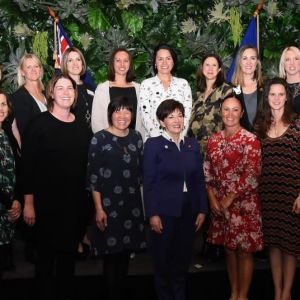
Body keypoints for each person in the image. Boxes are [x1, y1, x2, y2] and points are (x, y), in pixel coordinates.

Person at [21, 73, 90, 300]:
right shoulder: (38, 125)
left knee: (67, 265)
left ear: (75, 93)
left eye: (69, 88)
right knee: (44, 264)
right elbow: (27, 166)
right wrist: (28, 203)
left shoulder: (82, 128)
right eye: (60, 88)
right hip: (44, 207)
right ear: (51, 92)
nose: (65, 92)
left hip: (72, 208)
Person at [143, 99, 207, 300]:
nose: (176, 120)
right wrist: (152, 214)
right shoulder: (153, 145)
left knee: (182, 261)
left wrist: (202, 209)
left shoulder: (191, 144)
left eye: (179, 115)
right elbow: (149, 182)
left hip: (189, 211)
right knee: (163, 262)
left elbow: (199, 179)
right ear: (162, 121)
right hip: (164, 212)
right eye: (170, 116)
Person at [204, 95, 263, 300]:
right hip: (220, 206)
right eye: (226, 109)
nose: (230, 114)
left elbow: (252, 174)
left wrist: (230, 197)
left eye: (235, 109)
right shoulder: (213, 140)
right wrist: (212, 199)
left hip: (244, 206)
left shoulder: (250, 139)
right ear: (221, 112)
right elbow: (208, 173)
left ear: (242, 113)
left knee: (244, 251)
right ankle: (234, 293)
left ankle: (243, 296)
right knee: (229, 249)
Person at [87, 96, 146, 300]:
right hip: (108, 206)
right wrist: (99, 209)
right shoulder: (99, 139)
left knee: (125, 257)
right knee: (110, 260)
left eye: (127, 111)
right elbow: (93, 177)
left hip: (131, 206)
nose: (122, 116)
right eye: (117, 111)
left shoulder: (137, 137)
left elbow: (141, 174)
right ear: (110, 113)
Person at [254, 77, 300, 300]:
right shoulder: (259, 126)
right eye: (272, 94)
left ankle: (286, 292)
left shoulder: (297, 124)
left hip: (292, 195)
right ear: (267, 97)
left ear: (287, 97)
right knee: (273, 244)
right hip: (268, 195)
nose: (276, 98)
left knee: (289, 246)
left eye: (281, 94)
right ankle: (276, 291)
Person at [188, 53, 233, 261]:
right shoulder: (197, 95)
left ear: (220, 69)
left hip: (218, 153)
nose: (210, 68)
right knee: (203, 197)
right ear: (202, 68)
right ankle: (207, 241)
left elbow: (230, 120)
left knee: (218, 196)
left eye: (214, 65)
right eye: (207, 65)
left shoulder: (226, 91)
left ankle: (219, 245)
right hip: (197, 154)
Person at [61, 47, 94, 260]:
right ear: (65, 64)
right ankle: (73, 238)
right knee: (70, 195)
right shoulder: (61, 88)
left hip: (89, 149)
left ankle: (86, 234)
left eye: (78, 60)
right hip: (68, 148)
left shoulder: (92, 89)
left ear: (82, 64)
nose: (74, 63)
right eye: (70, 60)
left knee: (88, 195)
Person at [139, 44, 192, 139]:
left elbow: (187, 115)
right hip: (154, 141)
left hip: (179, 141)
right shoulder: (146, 84)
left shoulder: (183, 84)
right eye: (160, 59)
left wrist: (177, 138)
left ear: (173, 62)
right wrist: (160, 141)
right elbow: (145, 116)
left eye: (168, 58)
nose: (164, 63)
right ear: (155, 63)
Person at [91, 48, 144, 138]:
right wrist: (107, 141)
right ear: (113, 63)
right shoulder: (102, 89)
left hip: (134, 142)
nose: (122, 64)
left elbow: (143, 119)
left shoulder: (139, 89)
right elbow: (96, 121)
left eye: (126, 61)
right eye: (118, 60)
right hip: (109, 143)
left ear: (130, 64)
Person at [0, 90, 21, 278]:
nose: (0, 109)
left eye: (3, 104)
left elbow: (15, 169)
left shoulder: (6, 132)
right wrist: (9, 203)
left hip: (8, 210)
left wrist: (16, 200)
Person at [231, 44, 264, 132]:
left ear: (257, 63)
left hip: (265, 140)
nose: (248, 62)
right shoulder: (230, 90)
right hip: (241, 141)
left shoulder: (266, 87)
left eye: (252, 58)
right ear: (240, 63)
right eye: (245, 58)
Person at [279, 46, 300, 113]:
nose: (292, 63)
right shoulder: (278, 87)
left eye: (296, 59)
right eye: (287, 59)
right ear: (283, 64)